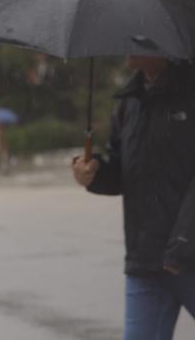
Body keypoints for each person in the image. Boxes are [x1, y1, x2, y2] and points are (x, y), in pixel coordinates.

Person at [72, 55, 195, 339]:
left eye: (135, 37)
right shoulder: (130, 101)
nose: (125, 45)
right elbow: (122, 169)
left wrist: (183, 245)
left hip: (189, 257)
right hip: (147, 262)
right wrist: (94, 172)